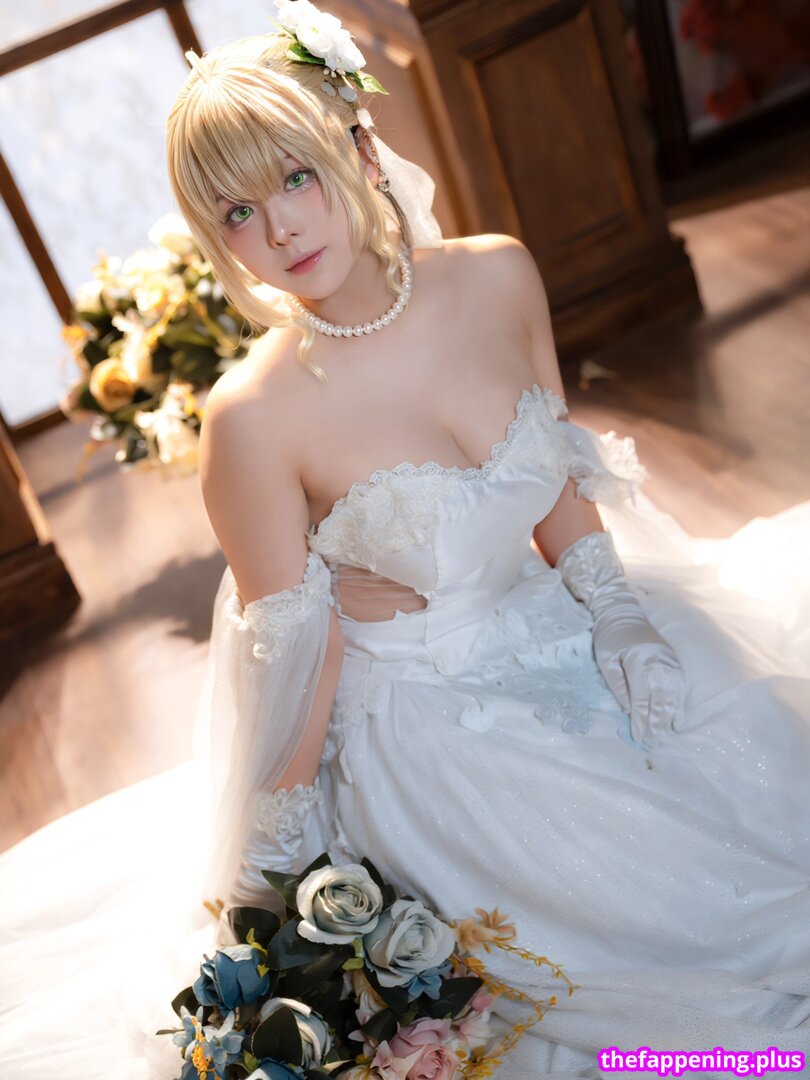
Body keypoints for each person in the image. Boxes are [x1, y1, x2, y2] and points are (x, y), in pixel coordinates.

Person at [0, 3, 808, 1077]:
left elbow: (553, 471)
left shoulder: (498, 274)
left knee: (754, 774)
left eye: (296, 177)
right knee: (656, 907)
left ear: (359, 149)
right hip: (428, 723)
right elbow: (299, 658)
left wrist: (618, 612)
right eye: (238, 211)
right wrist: (275, 886)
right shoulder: (252, 421)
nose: (281, 230)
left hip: (553, 619)